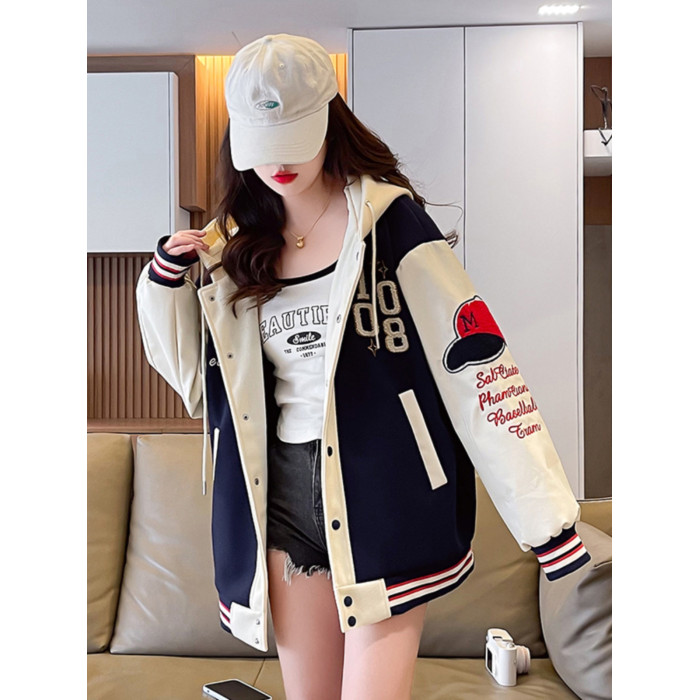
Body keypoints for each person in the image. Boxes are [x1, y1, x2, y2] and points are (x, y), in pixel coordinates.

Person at [136, 33, 591, 700]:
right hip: (278, 499)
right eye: (265, 145)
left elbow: (475, 365)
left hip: (383, 492)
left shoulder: (392, 224)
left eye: (296, 139)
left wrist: (548, 523)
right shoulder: (233, 249)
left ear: (331, 119)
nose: (280, 163)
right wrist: (163, 285)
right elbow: (198, 384)